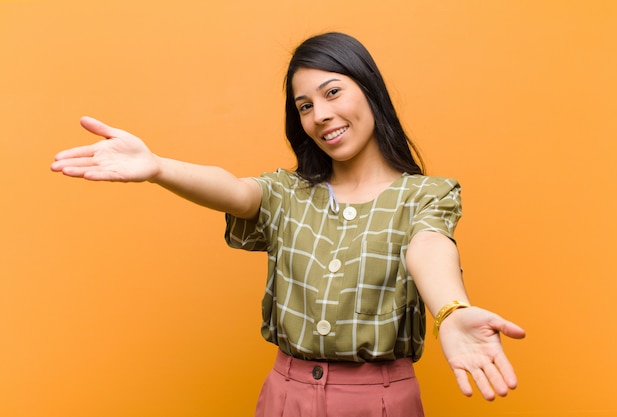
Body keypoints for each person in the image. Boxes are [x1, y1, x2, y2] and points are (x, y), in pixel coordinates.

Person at [51, 32, 525, 417]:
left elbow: (428, 247)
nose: (321, 116)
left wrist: (451, 310)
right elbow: (235, 191)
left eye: (332, 92)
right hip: (284, 396)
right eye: (304, 106)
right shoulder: (287, 192)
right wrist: (157, 167)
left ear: (370, 89)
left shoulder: (426, 194)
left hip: (379, 403)